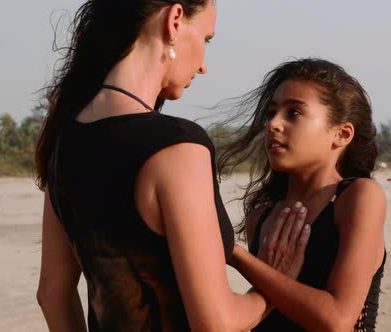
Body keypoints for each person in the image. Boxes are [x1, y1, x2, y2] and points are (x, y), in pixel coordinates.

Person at [34, 1, 309, 331]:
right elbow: (216, 323)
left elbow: (52, 294)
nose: (204, 65)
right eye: (206, 39)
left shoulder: (64, 142)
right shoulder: (176, 145)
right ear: (175, 21)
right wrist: (273, 287)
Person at [218, 58, 387, 331]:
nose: (273, 124)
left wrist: (236, 256)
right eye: (271, 112)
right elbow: (267, 306)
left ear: (342, 134)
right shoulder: (261, 217)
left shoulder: (358, 198)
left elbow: (337, 319)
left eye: (294, 112)